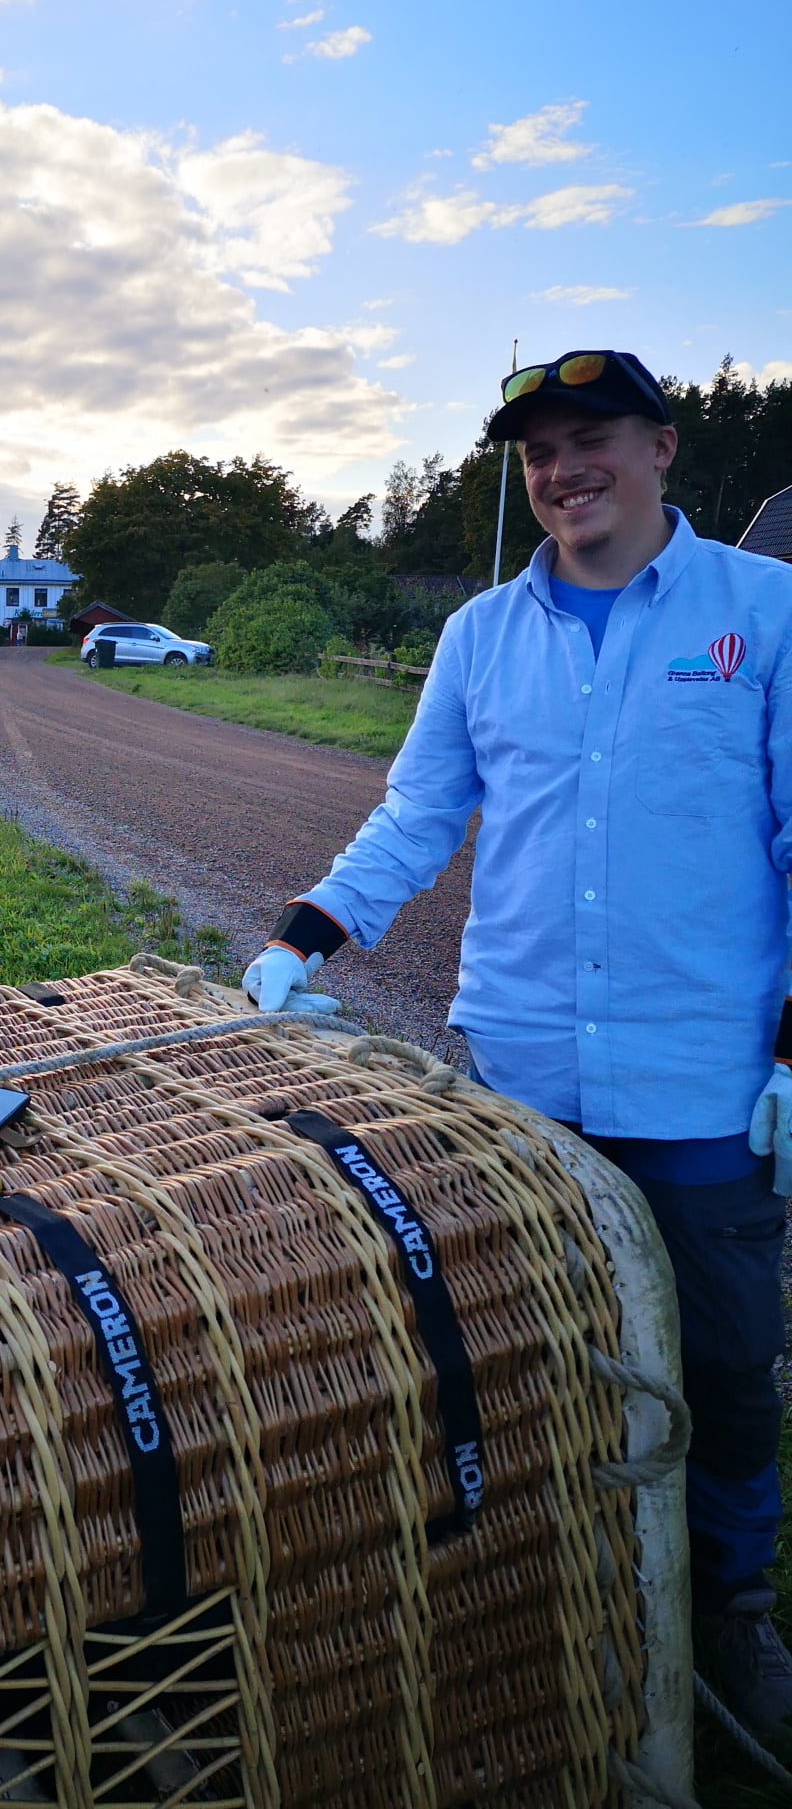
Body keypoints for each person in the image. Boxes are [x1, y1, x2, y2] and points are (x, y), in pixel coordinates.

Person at [243, 349, 792, 1739]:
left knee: (725, 1365)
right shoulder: (482, 634)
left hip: (704, 1084)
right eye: (539, 452)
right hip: (523, 1077)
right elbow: (422, 813)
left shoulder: (768, 612)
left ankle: (726, 1614)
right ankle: (556, 1581)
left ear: (664, 448)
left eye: (592, 437)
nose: (562, 471)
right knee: (531, 1343)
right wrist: (306, 933)